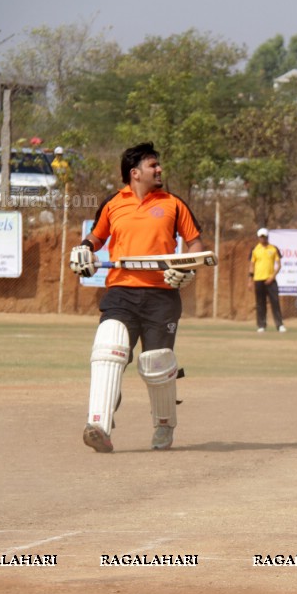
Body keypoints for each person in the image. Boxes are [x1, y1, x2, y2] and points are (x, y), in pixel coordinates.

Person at [68, 142, 206, 452]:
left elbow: (195, 244)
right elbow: (96, 237)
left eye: (158, 165)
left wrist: (188, 269)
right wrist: (84, 249)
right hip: (121, 291)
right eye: (152, 165)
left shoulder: (173, 203)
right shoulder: (114, 203)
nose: (159, 170)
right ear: (135, 173)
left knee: (156, 364)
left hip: (162, 294)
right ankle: (99, 426)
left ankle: (164, 425)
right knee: (108, 349)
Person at [248, 227, 285, 333]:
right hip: (258, 279)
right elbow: (251, 265)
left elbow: (279, 265)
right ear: (258, 238)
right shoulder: (255, 249)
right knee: (260, 303)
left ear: (267, 237)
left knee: (275, 302)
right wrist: (250, 280)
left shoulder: (273, 248)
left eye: (264, 237)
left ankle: (280, 325)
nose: (262, 239)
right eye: (261, 237)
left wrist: (272, 276)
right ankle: (261, 325)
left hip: (270, 280)